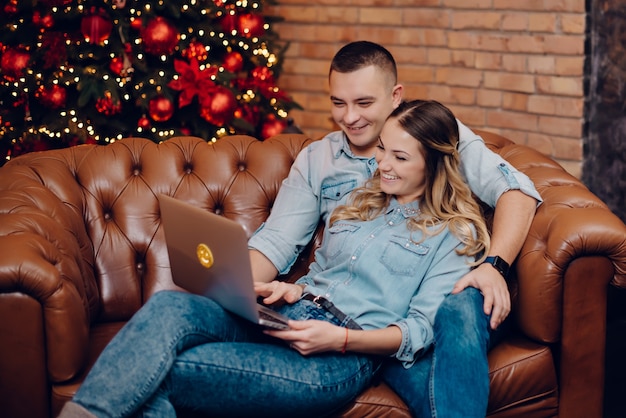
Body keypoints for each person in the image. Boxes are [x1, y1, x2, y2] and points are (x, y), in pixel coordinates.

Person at [59, 99, 490, 417]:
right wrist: (288, 288)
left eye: (400, 157)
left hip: (340, 355)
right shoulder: (362, 198)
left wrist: (339, 340)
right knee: (169, 306)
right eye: (382, 150)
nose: (382, 165)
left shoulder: (455, 234)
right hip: (288, 313)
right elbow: (323, 273)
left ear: (435, 164)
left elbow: (417, 331)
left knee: (167, 371)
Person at [247, 41, 542, 417]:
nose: (350, 117)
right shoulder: (320, 159)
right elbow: (277, 240)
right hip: (361, 311)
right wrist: (238, 293)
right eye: (338, 103)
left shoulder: (435, 135)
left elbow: (517, 191)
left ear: (395, 96)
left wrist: (494, 265)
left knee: (461, 305)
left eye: (364, 103)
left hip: (423, 297)